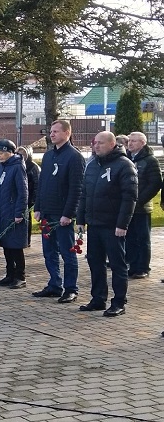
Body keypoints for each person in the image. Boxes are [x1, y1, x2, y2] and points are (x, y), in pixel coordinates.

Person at [76, 131, 137, 317]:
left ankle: (119, 302)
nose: (96, 146)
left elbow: (129, 198)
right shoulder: (92, 165)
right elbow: (84, 194)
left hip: (113, 226)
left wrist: (122, 224)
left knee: (117, 265)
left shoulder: (124, 165)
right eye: (95, 143)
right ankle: (98, 298)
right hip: (94, 224)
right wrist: (80, 219)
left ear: (112, 144)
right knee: (95, 262)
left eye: (100, 143)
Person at [32, 119, 85, 303]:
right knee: (49, 252)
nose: (52, 134)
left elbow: (76, 188)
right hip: (47, 213)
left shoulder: (74, 157)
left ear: (67, 133)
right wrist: (38, 207)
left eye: (55, 131)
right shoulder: (48, 156)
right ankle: (55, 284)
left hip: (62, 214)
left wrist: (68, 213)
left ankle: (71, 289)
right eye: (51, 131)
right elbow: (42, 184)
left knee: (67, 252)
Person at [0, 140, 29, 289]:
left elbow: (23, 191)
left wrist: (19, 212)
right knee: (6, 244)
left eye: (1, 153)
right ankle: (10, 274)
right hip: (3, 210)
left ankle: (20, 276)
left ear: (10, 152)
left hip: (14, 212)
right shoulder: (2, 166)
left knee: (15, 246)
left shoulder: (17, 167)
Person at [125, 132, 161, 279]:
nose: (130, 143)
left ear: (142, 143)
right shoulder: (126, 159)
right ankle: (132, 266)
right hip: (126, 207)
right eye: (129, 141)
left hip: (141, 208)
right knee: (130, 237)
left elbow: (155, 183)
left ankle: (143, 267)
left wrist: (139, 201)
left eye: (134, 141)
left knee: (142, 238)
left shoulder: (150, 160)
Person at [16, 146, 40, 246]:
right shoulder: (15, 166)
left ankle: (27, 239)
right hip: (17, 197)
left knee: (26, 218)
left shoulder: (33, 167)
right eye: (18, 154)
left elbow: (37, 183)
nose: (20, 156)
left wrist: (34, 199)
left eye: (22, 154)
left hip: (29, 197)